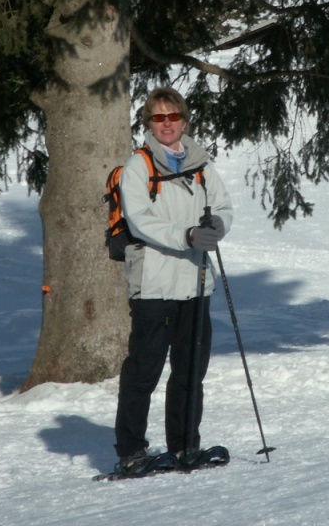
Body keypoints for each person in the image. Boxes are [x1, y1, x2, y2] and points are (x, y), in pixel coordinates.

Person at [112, 86, 233, 476]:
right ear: (149, 123)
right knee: (143, 371)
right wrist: (188, 235)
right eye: (159, 117)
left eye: (174, 116)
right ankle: (132, 452)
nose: (167, 124)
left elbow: (223, 206)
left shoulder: (201, 165)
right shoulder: (139, 166)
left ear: (184, 120)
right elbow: (139, 221)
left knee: (190, 370)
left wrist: (216, 226)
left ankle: (184, 446)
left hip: (196, 282)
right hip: (153, 284)